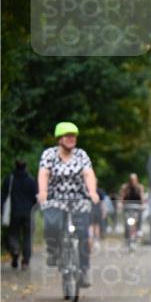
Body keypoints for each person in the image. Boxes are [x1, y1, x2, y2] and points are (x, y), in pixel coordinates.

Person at [37, 122, 100, 287]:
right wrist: (43, 192)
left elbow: (88, 173)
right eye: (68, 136)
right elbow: (44, 173)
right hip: (56, 198)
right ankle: (53, 252)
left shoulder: (81, 155)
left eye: (74, 136)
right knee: (51, 225)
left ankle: (84, 269)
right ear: (60, 139)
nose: (71, 139)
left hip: (78, 199)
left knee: (84, 235)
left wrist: (92, 191)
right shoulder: (49, 154)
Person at [2, 160, 38, 269]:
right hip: (28, 213)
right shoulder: (31, 180)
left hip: (14, 212)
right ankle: (25, 261)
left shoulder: (10, 179)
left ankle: (15, 251)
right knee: (28, 237)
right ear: (25, 167)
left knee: (13, 234)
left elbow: (3, 196)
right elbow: (36, 198)